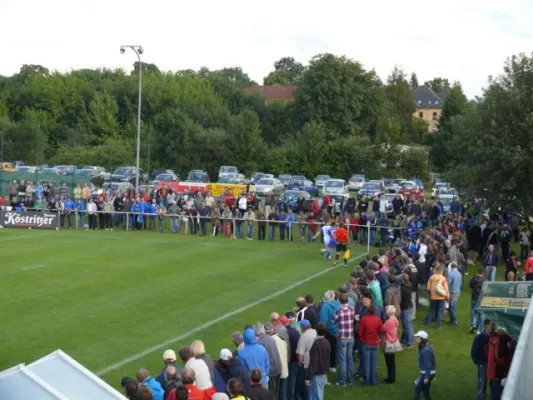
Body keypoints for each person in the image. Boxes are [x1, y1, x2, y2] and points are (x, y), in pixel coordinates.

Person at [330, 293, 354, 386]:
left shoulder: (339, 311)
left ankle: (342, 381)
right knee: (349, 357)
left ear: (339, 301)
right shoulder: (352, 309)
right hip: (351, 336)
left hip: (342, 337)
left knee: (342, 359)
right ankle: (351, 379)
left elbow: (333, 320)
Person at [254, 322, 282, 399]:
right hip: (278, 368)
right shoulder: (270, 338)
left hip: (272, 370)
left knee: (272, 395)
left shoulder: (260, 342)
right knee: (276, 393)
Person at [358, 304, 384, 386]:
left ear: (367, 311)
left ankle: (366, 381)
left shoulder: (363, 320)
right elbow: (382, 331)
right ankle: (373, 381)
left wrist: (363, 340)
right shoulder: (378, 320)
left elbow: (360, 333)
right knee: (373, 363)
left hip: (366, 343)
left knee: (366, 363)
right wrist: (379, 338)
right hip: (375, 344)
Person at [305, 322, 330, 400]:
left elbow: (314, 362)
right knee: (319, 395)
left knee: (316, 396)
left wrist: (308, 377)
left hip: (316, 375)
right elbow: (327, 359)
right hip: (322, 373)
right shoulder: (327, 342)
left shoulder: (316, 344)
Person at [487, 327, 513, 400]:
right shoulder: (500, 341)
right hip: (498, 373)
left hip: (492, 372)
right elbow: (499, 355)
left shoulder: (492, 339)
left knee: (494, 394)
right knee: (497, 395)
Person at [471, 319, 494, 400]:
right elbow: (473, 351)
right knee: (482, 385)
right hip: (483, 364)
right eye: (492, 325)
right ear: (486, 325)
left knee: (493, 385)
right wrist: (478, 362)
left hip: (491, 364)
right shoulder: (479, 338)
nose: (493, 327)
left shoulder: (493, 337)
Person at [318, 290, 340, 372]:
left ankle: (327, 365)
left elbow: (323, 320)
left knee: (327, 349)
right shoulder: (338, 304)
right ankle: (333, 365)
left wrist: (321, 331)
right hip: (337, 330)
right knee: (334, 348)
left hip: (328, 331)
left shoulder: (325, 306)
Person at [295, 320, 316, 400]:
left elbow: (300, 353)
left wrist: (300, 363)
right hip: (316, 363)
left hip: (306, 364)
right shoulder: (315, 332)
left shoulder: (304, 336)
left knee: (303, 387)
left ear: (302, 327)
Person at [424, 264, 449, 329]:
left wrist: (431, 294)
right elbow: (446, 289)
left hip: (433, 297)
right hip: (441, 297)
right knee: (439, 311)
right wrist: (447, 297)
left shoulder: (431, 277)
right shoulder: (443, 278)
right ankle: (438, 326)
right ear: (442, 271)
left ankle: (427, 324)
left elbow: (428, 288)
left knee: (431, 310)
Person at [413, 331, 436, 400]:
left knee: (417, 390)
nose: (416, 338)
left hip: (427, 373)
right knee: (425, 390)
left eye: (417, 337)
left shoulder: (426, 350)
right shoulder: (424, 346)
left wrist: (426, 377)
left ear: (421, 339)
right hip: (428, 373)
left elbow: (428, 364)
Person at [382, 305, 400, 384]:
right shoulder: (395, 320)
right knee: (392, 361)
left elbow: (382, 329)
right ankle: (391, 377)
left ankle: (390, 378)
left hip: (388, 342)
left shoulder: (389, 322)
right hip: (393, 340)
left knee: (389, 362)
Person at [400, 273, 415, 348]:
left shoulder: (403, 289)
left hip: (405, 308)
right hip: (409, 306)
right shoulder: (409, 284)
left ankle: (409, 342)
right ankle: (409, 340)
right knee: (409, 325)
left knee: (407, 326)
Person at [469, 268, 486, 334]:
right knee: (481, 314)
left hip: (474, 298)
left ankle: (473, 325)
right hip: (481, 298)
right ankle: (478, 329)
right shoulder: (484, 281)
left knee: (473, 312)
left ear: (477, 272)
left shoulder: (473, 279)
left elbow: (470, 286)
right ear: (483, 273)